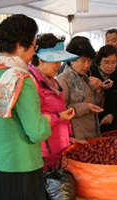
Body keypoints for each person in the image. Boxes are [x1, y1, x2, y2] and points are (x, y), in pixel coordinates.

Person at [0, 14, 52, 200]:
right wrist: (48, 119)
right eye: (33, 46)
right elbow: (37, 132)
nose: (34, 53)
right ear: (21, 46)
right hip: (21, 166)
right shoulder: (20, 78)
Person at [29, 33, 87, 170]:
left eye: (60, 61)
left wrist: (69, 138)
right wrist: (59, 116)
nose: (59, 65)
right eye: (55, 61)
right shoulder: (31, 83)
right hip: (42, 156)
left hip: (59, 150)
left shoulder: (52, 81)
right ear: (41, 60)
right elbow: (33, 120)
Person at [56, 36, 104, 140]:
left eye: (89, 61)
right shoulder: (63, 79)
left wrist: (99, 90)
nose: (87, 65)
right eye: (83, 61)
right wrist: (85, 107)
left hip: (91, 132)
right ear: (71, 60)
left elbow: (97, 104)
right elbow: (60, 112)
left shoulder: (86, 78)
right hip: (76, 136)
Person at [90, 45, 117, 133]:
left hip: (113, 126)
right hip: (92, 125)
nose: (110, 66)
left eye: (114, 62)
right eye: (106, 62)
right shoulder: (90, 74)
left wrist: (113, 115)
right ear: (99, 61)